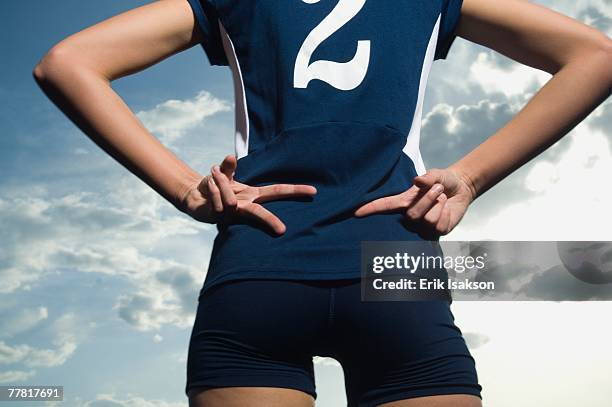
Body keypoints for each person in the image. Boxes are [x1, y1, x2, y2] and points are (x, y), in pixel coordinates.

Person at [33, 0, 611, 405]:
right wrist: (471, 177)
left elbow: (66, 62)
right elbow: (597, 55)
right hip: (392, 260)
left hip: (263, 260)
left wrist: (187, 189)